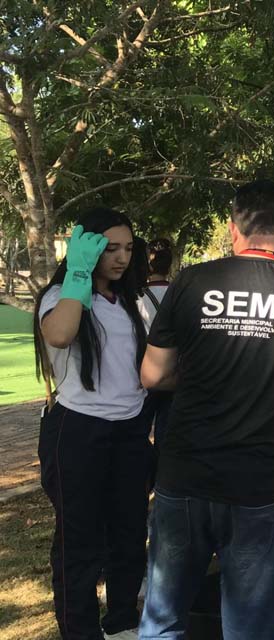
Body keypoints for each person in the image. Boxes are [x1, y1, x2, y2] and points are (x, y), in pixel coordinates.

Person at [137, 180, 274, 640]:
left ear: (232, 228)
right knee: (251, 625)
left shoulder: (192, 281)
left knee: (163, 617)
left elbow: (154, 375)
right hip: (259, 484)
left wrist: (207, 372)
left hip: (184, 476)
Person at [33, 208, 152, 640]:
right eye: (109, 248)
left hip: (130, 432)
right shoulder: (62, 295)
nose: (120, 258)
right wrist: (79, 274)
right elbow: (60, 335)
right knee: (79, 541)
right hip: (78, 432)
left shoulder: (134, 301)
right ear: (87, 248)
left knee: (128, 533)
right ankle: (79, 631)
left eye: (127, 248)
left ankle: (123, 622)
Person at [137, 237, 175, 449]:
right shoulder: (178, 292)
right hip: (172, 370)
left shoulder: (137, 295)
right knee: (166, 431)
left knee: (139, 428)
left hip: (145, 369)